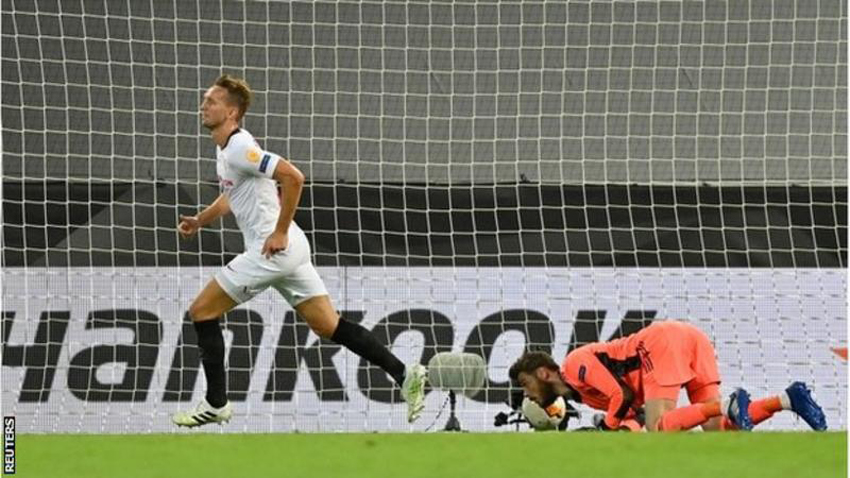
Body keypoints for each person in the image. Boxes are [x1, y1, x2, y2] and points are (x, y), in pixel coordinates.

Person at [171, 74, 427, 427]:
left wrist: (278, 232)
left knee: (201, 311)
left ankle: (216, 404)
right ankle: (404, 374)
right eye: (205, 99)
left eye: (211, 101)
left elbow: (293, 177)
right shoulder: (226, 148)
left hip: (272, 249)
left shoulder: (240, 148)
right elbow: (232, 195)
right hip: (286, 249)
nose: (203, 105)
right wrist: (201, 220)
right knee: (328, 325)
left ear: (232, 112)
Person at [509, 320, 827, 432]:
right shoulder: (585, 396)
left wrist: (606, 428)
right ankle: (787, 399)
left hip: (659, 343)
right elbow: (632, 416)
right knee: (719, 431)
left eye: (526, 384)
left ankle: (726, 403)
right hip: (690, 339)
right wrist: (618, 432)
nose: (528, 395)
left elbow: (623, 396)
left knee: (660, 429)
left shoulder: (576, 363)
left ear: (543, 372)